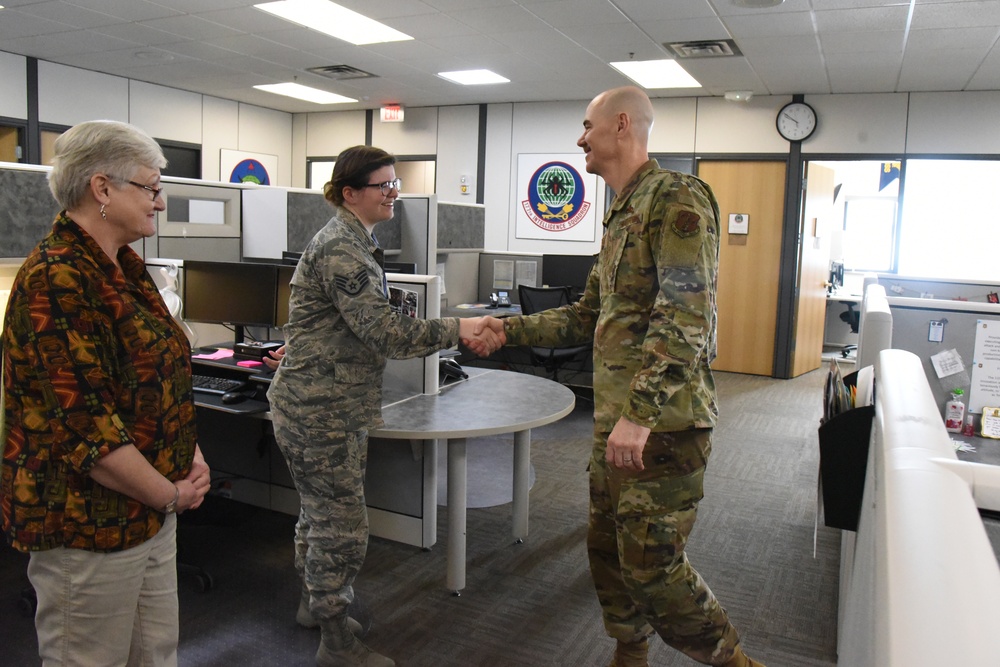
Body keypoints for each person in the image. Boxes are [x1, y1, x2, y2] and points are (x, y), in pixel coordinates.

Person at [472, 87, 765, 667]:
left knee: (654, 566)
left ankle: (734, 661)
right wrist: (510, 331)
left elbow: (686, 315)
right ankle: (629, 652)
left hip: (663, 425)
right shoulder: (620, 212)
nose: (580, 138)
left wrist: (639, 415)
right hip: (618, 424)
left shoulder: (675, 198)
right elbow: (588, 315)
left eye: (587, 125)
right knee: (607, 549)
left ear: (621, 124)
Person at [265, 145, 501, 667]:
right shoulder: (343, 248)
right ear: (350, 193)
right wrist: (457, 327)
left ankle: (315, 606)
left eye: (396, 183)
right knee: (340, 527)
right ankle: (336, 642)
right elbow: (387, 333)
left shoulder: (353, 240)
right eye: (383, 185)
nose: (394, 193)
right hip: (320, 411)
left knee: (318, 516)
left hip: (321, 404)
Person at [0, 120, 212, 666]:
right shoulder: (57, 278)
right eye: (151, 187)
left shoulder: (126, 267)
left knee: (154, 654)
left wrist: (190, 456)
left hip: (148, 511)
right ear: (102, 188)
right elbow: (87, 430)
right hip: (88, 524)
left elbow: (160, 378)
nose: (160, 203)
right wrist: (171, 494)